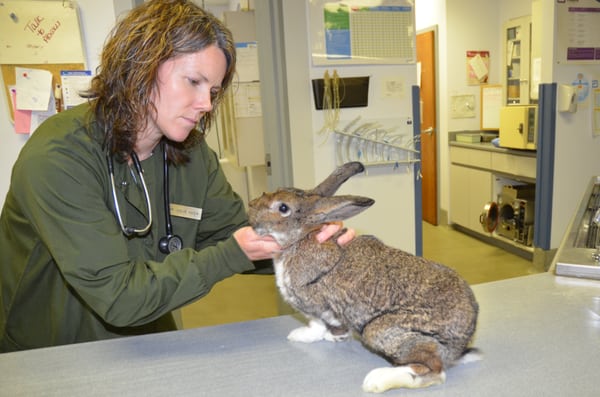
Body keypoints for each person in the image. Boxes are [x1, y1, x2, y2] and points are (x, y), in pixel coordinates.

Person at [0, 0, 353, 352]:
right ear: (140, 66)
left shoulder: (191, 154)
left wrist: (306, 242)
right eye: (194, 82)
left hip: (148, 337)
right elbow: (119, 296)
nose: (207, 105)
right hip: (52, 353)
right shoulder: (59, 158)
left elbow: (234, 234)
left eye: (213, 91)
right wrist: (231, 253)